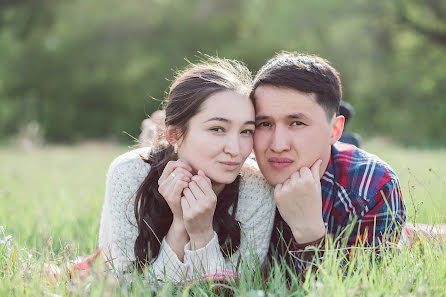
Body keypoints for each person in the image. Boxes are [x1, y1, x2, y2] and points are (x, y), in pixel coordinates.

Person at [98, 57, 276, 283]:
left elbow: (235, 288)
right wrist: (180, 225)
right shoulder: (129, 174)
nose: (235, 149)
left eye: (246, 131)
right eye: (218, 129)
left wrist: (201, 234)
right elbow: (131, 286)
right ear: (174, 135)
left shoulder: (256, 188)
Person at [249, 52, 407, 272]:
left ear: (335, 129)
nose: (278, 145)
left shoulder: (373, 187)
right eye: (264, 124)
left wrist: (310, 237)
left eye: (296, 123)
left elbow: (358, 287)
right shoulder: (235, 176)